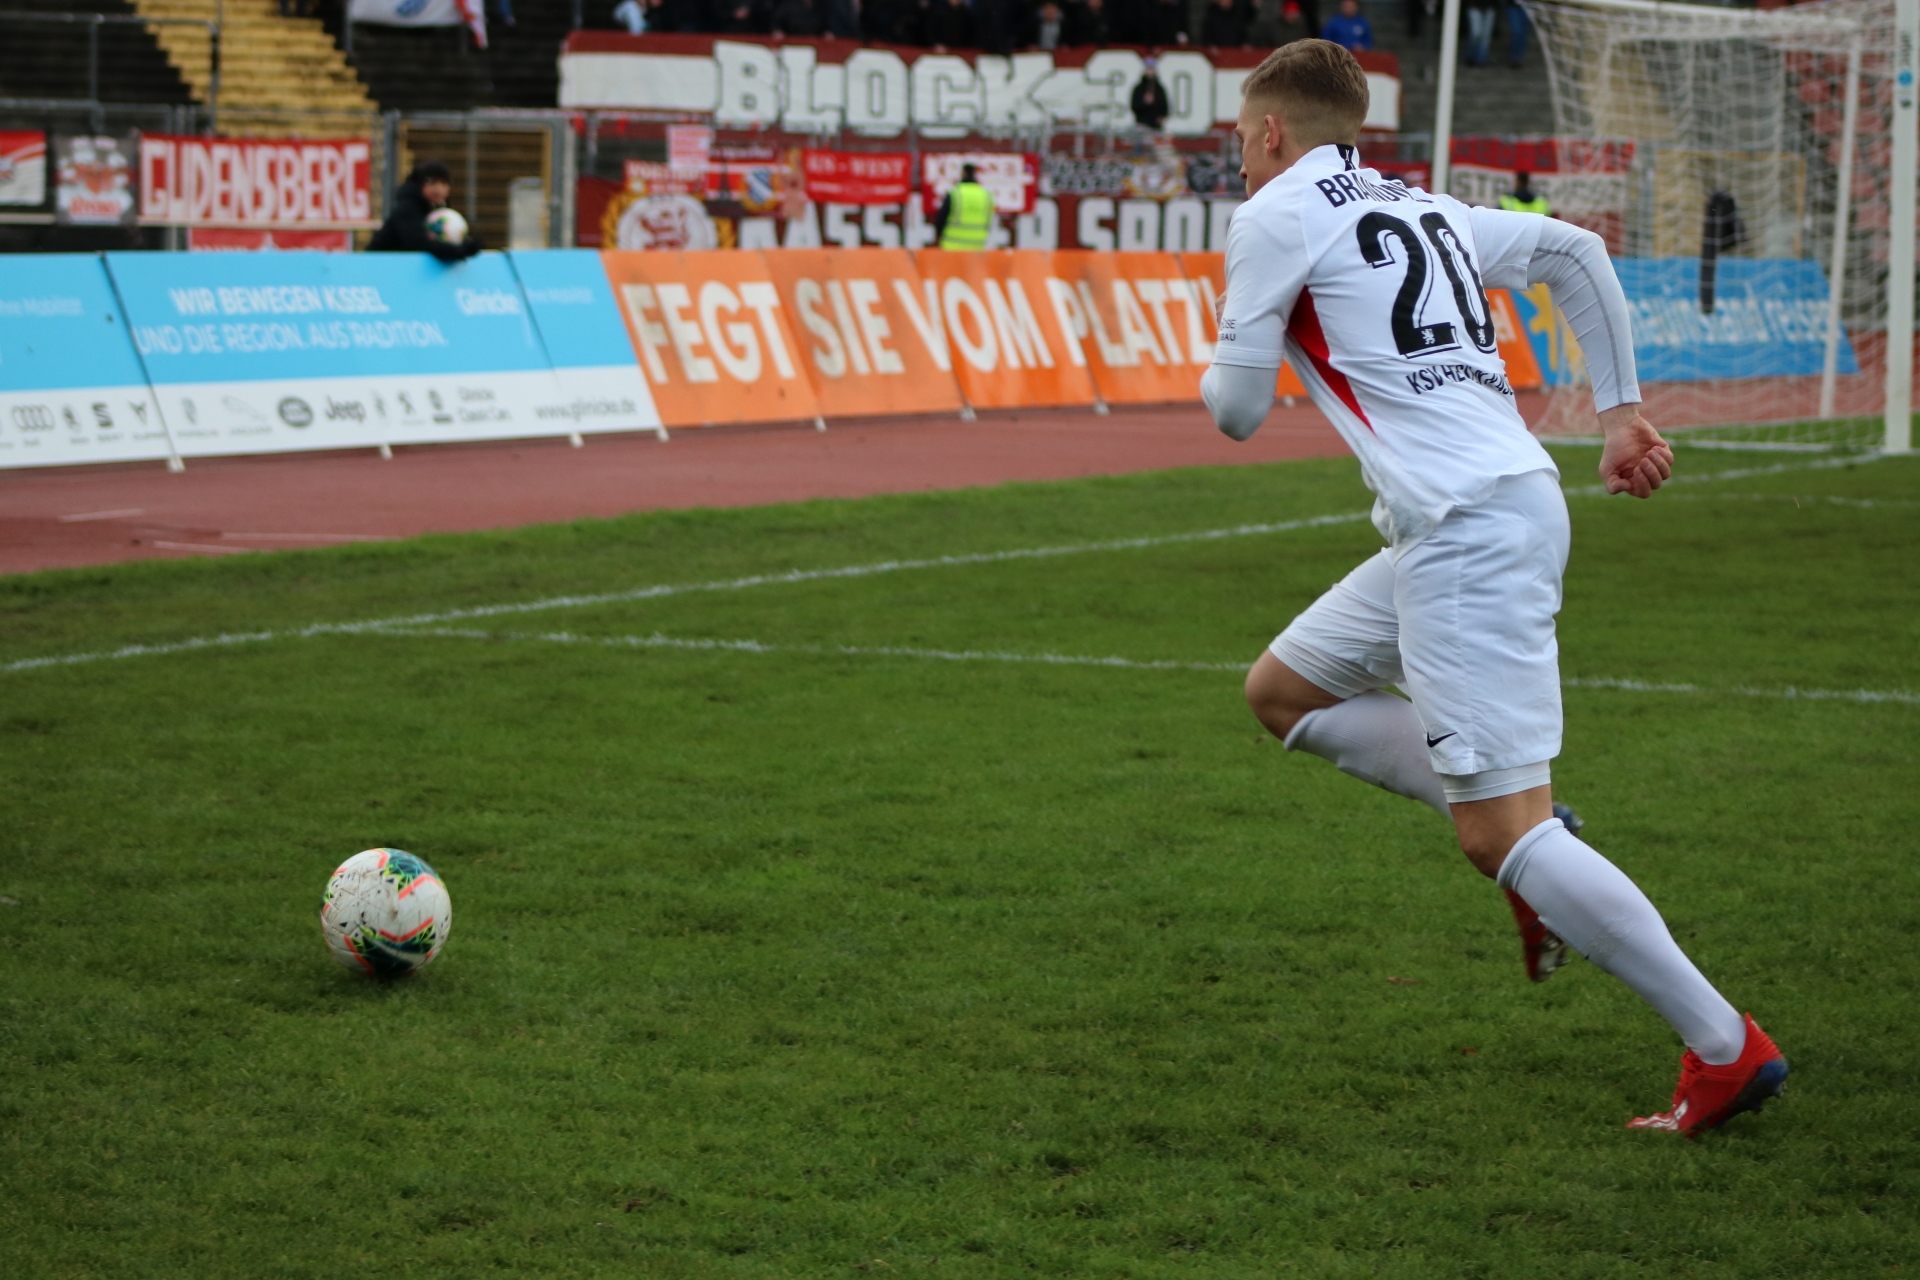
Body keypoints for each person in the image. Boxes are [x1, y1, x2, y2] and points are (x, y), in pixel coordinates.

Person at [1201, 39, 1788, 1136]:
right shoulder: (1421, 204)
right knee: (1283, 690)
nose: (1240, 156)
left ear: (1272, 132)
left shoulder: (1275, 211)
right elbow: (1575, 249)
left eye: (1241, 137)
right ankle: (1540, 835)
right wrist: (1620, 413)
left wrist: (1233, 334)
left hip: (1466, 530)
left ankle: (1724, 1046)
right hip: (1479, 510)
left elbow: (1235, 411)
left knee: (1494, 837)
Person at [368, 160, 482, 262]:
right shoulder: (407, 208)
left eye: (444, 183)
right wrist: (457, 251)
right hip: (381, 265)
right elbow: (418, 243)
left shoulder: (441, 208)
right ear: (419, 184)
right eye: (432, 182)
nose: (438, 189)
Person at [933, 163, 994, 250]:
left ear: (963, 174)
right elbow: (988, 222)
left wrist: (937, 238)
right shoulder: (986, 195)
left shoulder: (955, 194)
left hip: (952, 248)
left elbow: (940, 220)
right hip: (976, 248)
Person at [1131, 59, 1171, 129]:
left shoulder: (1159, 89)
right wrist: (1144, 102)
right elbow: (1134, 106)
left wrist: (1162, 116)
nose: (1150, 71)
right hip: (1142, 124)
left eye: (1152, 69)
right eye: (1148, 69)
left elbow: (1165, 107)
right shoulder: (1139, 89)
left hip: (1156, 126)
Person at [1464, 0, 1499, 65]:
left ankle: (1480, 59)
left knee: (1485, 35)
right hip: (1474, 6)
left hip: (1490, 7)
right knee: (1476, 32)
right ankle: (1471, 56)